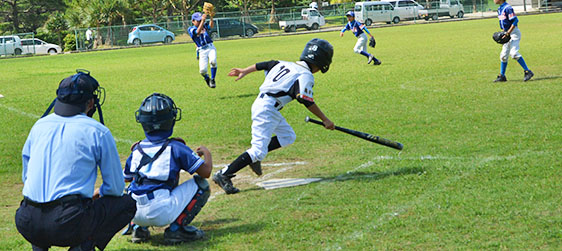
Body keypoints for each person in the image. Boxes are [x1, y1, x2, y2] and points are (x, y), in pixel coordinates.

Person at [15, 70, 136, 251]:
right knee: (126, 204)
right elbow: (115, 189)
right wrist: (92, 195)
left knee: (42, 208)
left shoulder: (39, 125)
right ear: (90, 102)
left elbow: (27, 177)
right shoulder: (97, 131)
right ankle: (82, 247)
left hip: (26, 219)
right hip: (67, 222)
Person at [212, 38, 335, 194]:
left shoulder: (284, 63)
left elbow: (264, 64)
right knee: (257, 150)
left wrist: (244, 70)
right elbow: (305, 99)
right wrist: (325, 119)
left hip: (267, 106)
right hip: (267, 109)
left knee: (288, 136)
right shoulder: (305, 75)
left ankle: (254, 159)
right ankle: (223, 175)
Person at [122, 93, 212, 245]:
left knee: (133, 186)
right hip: (161, 211)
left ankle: (138, 228)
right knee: (201, 185)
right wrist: (207, 154)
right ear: (171, 120)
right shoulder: (176, 147)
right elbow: (206, 172)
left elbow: (126, 178)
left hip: (132, 212)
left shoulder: (136, 149)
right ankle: (176, 230)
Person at [490, 0, 534, 82]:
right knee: (503, 56)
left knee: (513, 54)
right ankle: (502, 76)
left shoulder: (508, 8)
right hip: (506, 33)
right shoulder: (499, 9)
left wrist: (508, 33)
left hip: (513, 33)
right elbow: (503, 24)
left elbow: (515, 21)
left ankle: (528, 71)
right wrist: (503, 34)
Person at [188, 11, 218, 88]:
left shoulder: (203, 25)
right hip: (202, 51)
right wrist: (203, 21)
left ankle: (213, 79)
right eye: (198, 20)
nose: (200, 22)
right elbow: (197, 32)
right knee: (202, 71)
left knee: (213, 61)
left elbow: (211, 26)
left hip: (210, 47)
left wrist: (211, 17)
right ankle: (207, 78)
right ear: (192, 21)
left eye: (200, 20)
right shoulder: (191, 29)